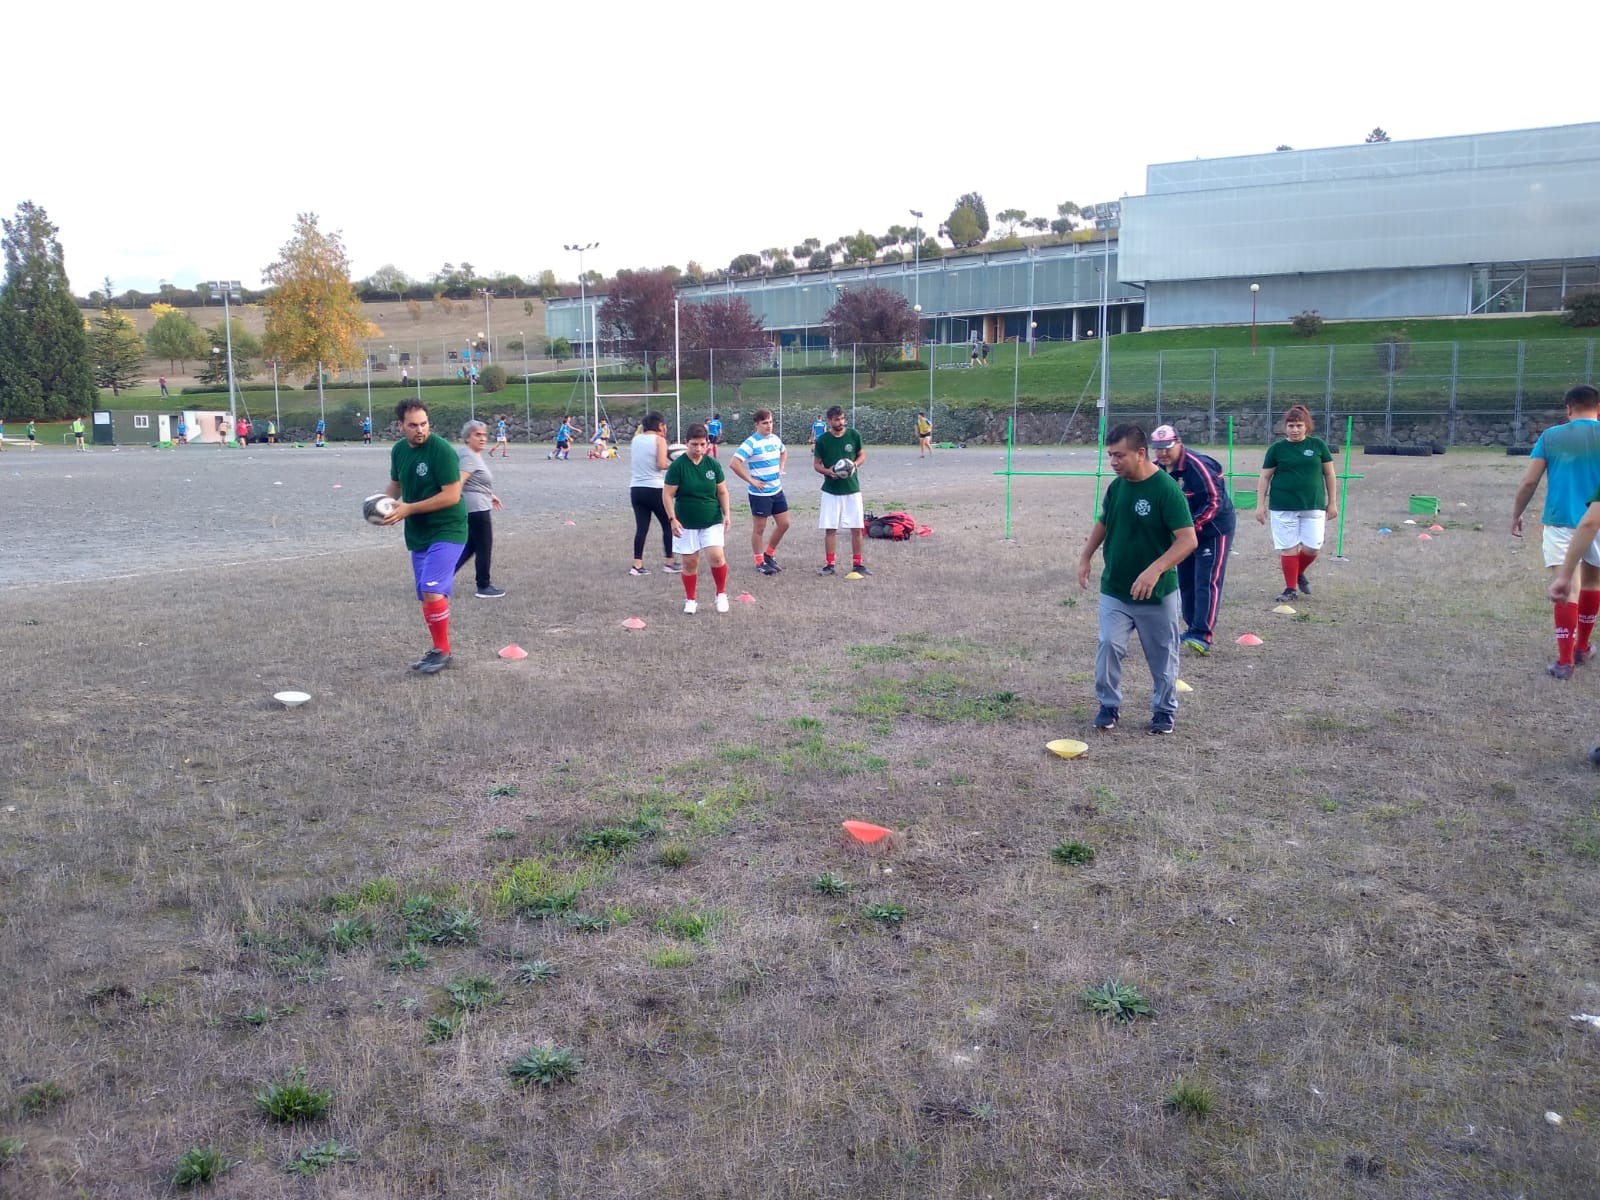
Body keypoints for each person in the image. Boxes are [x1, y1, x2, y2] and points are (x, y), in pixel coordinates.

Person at [1077, 424, 1198, 735]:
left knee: (1162, 655)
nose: (1114, 462)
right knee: (1108, 645)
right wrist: (1086, 556)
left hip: (1157, 594)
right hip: (1116, 588)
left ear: (1141, 453)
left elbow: (1188, 540)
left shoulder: (1166, 490)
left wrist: (1155, 569)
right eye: (1110, 456)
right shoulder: (1117, 487)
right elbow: (1105, 522)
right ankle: (1108, 705)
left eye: (1120, 456)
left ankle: (1163, 711)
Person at [1514, 384, 1600, 678]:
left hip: (1561, 520)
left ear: (1568, 408)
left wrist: (1517, 514)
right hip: (1598, 521)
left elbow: (1529, 482)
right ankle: (1583, 647)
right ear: (1598, 408)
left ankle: (1565, 662)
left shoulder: (1551, 437)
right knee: (1591, 583)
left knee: (1566, 589)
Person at [380, 399, 468, 674]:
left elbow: (452, 495)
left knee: (432, 589)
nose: (420, 430)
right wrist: (381, 505)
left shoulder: (440, 450)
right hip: (419, 533)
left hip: (448, 528)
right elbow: (395, 485)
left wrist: (408, 509)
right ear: (401, 426)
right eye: (413, 425)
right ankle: (438, 648)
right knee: (427, 594)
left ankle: (443, 651)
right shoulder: (398, 450)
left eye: (424, 424)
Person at [1150, 424, 1236, 654]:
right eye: (1157, 449)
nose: (1162, 453)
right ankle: (1191, 628)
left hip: (1213, 529)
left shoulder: (1198, 466)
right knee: (1186, 580)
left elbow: (1214, 501)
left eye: (1167, 447)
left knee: (1206, 580)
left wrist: (1189, 528)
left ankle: (1202, 635)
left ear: (1178, 443)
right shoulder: (1156, 470)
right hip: (1184, 535)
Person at [1256, 404, 1337, 604]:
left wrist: (1332, 502)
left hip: (1314, 505)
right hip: (1283, 506)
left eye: (1299, 425)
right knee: (1289, 548)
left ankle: (1298, 572)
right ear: (1285, 427)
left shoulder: (1318, 446)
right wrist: (1260, 505)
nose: (1294, 429)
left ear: (1306, 426)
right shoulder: (1277, 449)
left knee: (1312, 548)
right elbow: (1265, 477)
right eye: (1291, 425)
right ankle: (1290, 588)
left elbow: (1329, 474)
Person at [663, 422, 731, 614]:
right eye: (694, 444)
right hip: (686, 523)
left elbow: (722, 491)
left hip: (711, 519)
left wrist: (727, 514)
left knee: (717, 556)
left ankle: (721, 594)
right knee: (690, 563)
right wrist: (672, 519)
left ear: (707, 443)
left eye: (702, 444)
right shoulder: (677, 467)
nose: (699, 448)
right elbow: (667, 495)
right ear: (687, 443)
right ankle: (691, 599)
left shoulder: (713, 465)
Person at [728, 409, 789, 575]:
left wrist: (781, 467)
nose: (769, 425)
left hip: (777, 490)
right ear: (757, 424)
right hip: (760, 494)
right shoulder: (751, 443)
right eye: (765, 423)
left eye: (770, 422)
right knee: (759, 529)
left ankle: (769, 554)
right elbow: (734, 463)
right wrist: (751, 480)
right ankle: (759, 562)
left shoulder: (775, 439)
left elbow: (783, 451)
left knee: (784, 524)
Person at [813, 404, 868, 576]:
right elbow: (816, 465)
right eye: (837, 419)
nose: (841, 422)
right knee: (830, 528)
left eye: (843, 418)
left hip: (852, 489)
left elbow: (862, 454)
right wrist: (828, 472)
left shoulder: (853, 435)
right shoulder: (822, 440)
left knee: (856, 527)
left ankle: (858, 564)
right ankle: (830, 565)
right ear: (829, 421)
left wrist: (854, 465)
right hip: (831, 491)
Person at [454, 420, 505, 599]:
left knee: (470, 546)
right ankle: (484, 585)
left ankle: (440, 577)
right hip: (477, 509)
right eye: (477, 435)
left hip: (478, 504)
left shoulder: (471, 454)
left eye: (484, 434)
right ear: (467, 437)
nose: (483, 438)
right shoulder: (469, 456)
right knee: (484, 546)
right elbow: (459, 482)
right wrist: (453, 504)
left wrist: (490, 495)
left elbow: (474, 481)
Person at [629, 411, 683, 576]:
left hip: (636, 489)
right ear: (660, 425)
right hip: (655, 488)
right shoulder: (659, 440)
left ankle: (637, 565)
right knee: (668, 524)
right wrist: (677, 463)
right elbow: (661, 464)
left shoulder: (636, 439)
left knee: (641, 528)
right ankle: (669, 562)